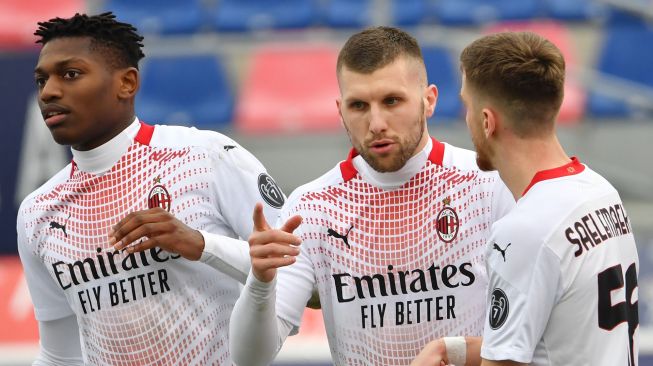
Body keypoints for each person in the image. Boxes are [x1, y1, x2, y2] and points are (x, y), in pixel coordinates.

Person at [229, 26, 516, 365]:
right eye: (359, 105)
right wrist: (261, 282)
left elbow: (534, 335)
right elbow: (249, 358)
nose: (376, 122)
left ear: (429, 100)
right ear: (340, 111)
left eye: (391, 101)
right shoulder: (311, 208)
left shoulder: (489, 185)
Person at [17, 12, 286, 365]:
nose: (49, 91)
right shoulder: (38, 211)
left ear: (127, 83)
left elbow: (305, 281)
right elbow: (59, 355)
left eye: (70, 74)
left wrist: (202, 245)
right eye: (41, 80)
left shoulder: (204, 157)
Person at [412, 31, 640, 366]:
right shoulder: (601, 191)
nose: (467, 118)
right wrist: (450, 350)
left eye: (467, 105)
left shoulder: (525, 231)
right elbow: (553, 341)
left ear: (488, 121)